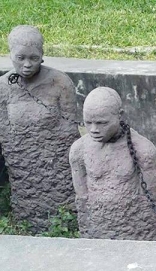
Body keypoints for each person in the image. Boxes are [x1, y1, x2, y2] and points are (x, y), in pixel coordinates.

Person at [0, 25, 79, 232]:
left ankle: (64, 222)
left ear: (42, 55)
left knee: (60, 201)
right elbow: (4, 131)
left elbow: (69, 128)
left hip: (55, 164)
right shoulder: (3, 87)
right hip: (22, 165)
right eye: (20, 58)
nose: (27, 65)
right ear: (10, 55)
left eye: (34, 58)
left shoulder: (60, 82)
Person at [69, 87, 156, 240]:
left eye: (102, 123)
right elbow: (82, 198)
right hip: (97, 228)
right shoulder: (79, 150)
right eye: (88, 122)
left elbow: (149, 201)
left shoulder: (143, 150)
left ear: (119, 116)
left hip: (133, 230)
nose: (94, 129)